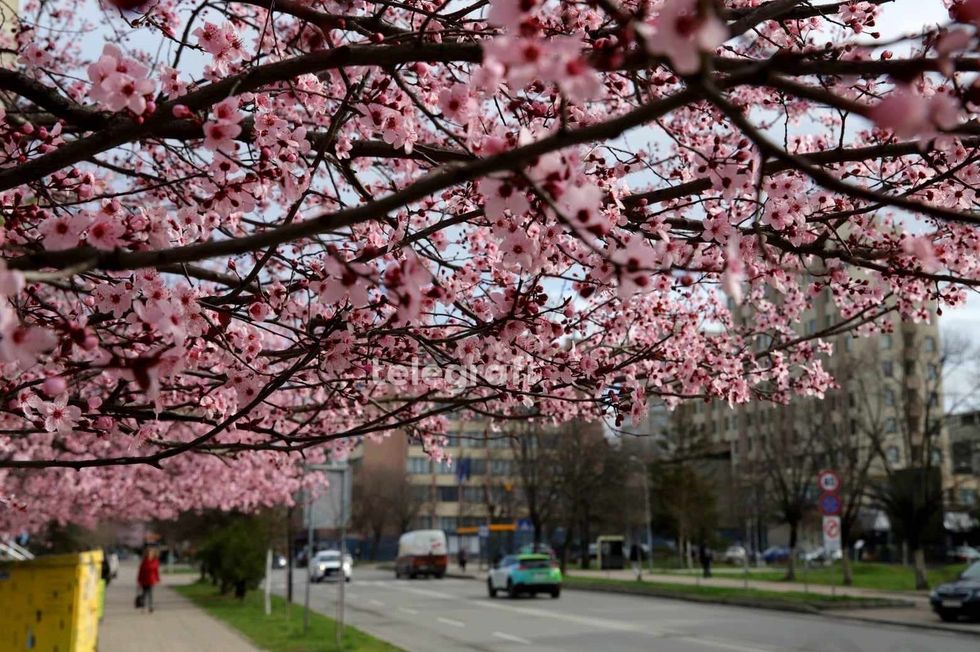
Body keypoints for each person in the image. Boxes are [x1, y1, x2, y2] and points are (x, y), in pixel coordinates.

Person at [137, 548, 161, 613]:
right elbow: (140, 571)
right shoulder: (144, 562)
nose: (149, 554)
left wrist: (158, 579)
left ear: (153, 554)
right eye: (148, 553)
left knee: (151, 594)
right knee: (144, 594)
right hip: (144, 580)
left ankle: (151, 606)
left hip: (151, 580)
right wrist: (139, 580)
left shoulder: (155, 561)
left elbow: (156, 571)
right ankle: (143, 607)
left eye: (150, 553)